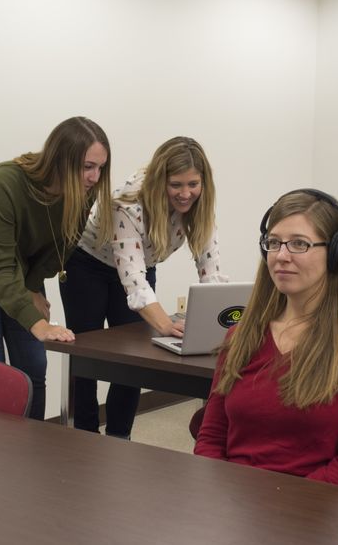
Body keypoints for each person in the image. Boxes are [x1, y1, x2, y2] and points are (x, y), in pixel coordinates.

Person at [194, 189, 338, 489]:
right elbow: (210, 440)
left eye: (299, 244)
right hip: (232, 506)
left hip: (311, 512)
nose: (281, 256)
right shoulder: (240, 338)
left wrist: (275, 507)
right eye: (273, 243)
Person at [0, 116, 113, 421]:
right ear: (60, 159)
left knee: (33, 365)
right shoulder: (4, 181)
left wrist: (31, 288)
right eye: (87, 166)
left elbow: (62, 246)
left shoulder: (85, 190)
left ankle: (32, 448)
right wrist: (40, 325)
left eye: (101, 167)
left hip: (20, 265)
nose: (95, 177)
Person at [59, 136, 226, 438]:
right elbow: (134, 279)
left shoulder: (201, 205)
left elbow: (211, 270)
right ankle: (83, 436)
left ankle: (120, 436)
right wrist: (167, 324)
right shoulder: (127, 203)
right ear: (160, 180)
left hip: (141, 263)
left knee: (134, 355)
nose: (185, 193)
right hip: (88, 265)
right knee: (86, 354)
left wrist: (217, 319)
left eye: (193, 184)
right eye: (176, 185)